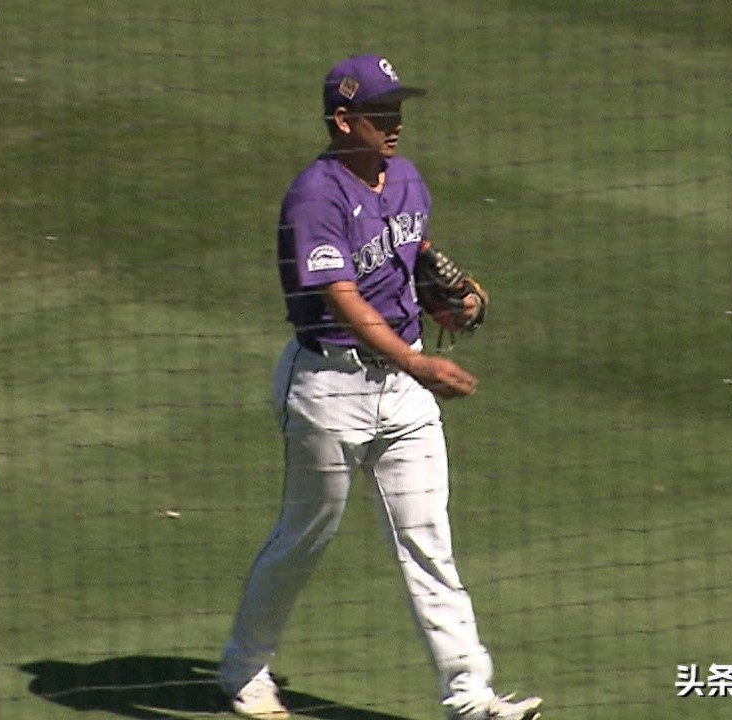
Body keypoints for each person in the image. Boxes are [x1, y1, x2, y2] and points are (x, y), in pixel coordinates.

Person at [217, 55, 542, 720]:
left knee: (429, 540)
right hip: (327, 390)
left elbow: (410, 261)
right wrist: (420, 364)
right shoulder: (316, 195)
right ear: (343, 120)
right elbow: (342, 299)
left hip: (404, 396)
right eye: (380, 113)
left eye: (398, 110)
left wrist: (447, 306)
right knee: (304, 536)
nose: (394, 124)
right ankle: (244, 668)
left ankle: (469, 696)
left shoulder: (408, 181)